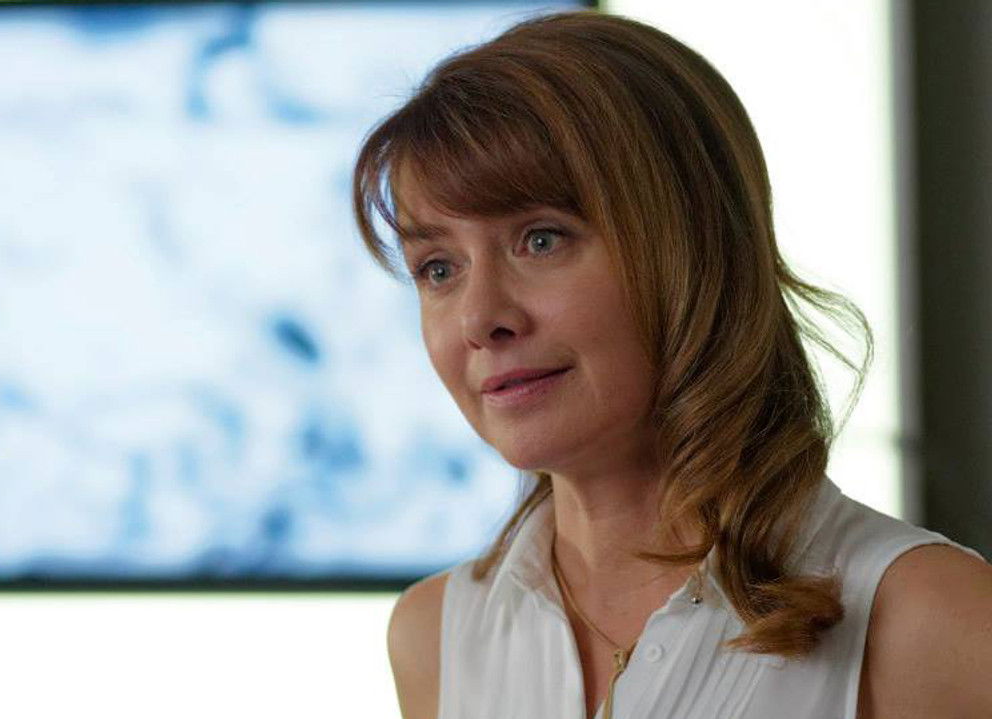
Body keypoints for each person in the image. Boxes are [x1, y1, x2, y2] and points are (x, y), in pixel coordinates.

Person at [349, 9, 992, 719]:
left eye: (541, 240)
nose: (479, 318)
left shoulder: (936, 621)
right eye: (438, 268)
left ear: (694, 249)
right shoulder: (436, 637)